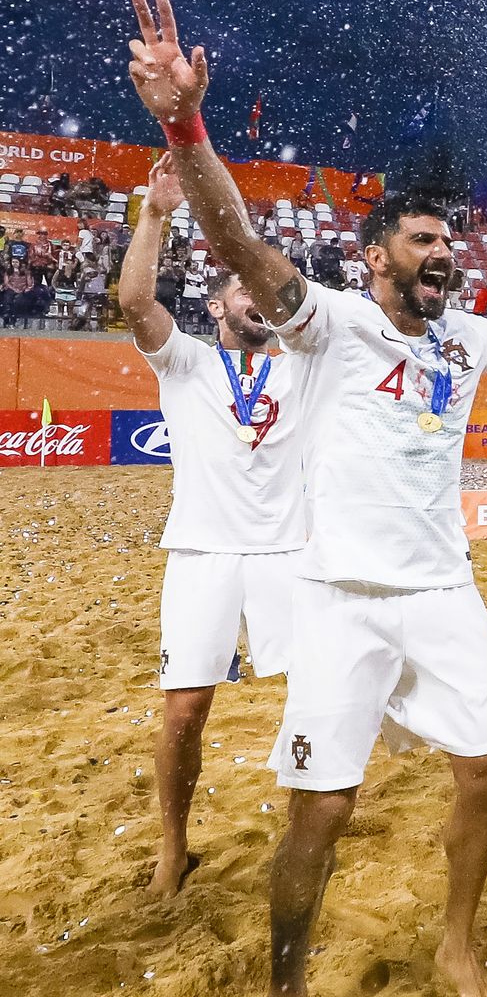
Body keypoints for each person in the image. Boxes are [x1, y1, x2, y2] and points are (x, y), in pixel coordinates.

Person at [126, 0, 487, 997]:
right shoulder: (331, 323)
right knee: (323, 810)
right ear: (375, 257)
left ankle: (457, 942)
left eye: (449, 244)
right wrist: (184, 124)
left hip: (443, 591)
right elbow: (239, 247)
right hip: (339, 597)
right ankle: (289, 981)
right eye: (424, 244)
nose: (445, 256)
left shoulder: (465, 338)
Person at [118, 154, 308, 898]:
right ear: (218, 309)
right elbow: (136, 302)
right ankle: (173, 846)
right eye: (243, 288)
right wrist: (156, 214)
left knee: (311, 697)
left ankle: (304, 830)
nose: (257, 295)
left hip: (291, 552)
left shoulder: (304, 364)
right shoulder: (186, 364)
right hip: (202, 552)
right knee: (186, 710)